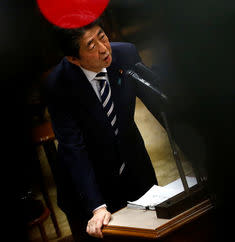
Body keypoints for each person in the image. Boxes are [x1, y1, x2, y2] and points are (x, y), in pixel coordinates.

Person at [43, 18, 162, 240]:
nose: (103, 49)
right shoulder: (58, 85)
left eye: (102, 37)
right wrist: (97, 206)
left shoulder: (126, 55)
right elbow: (73, 148)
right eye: (91, 46)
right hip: (89, 184)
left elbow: (161, 106)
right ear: (73, 59)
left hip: (134, 167)